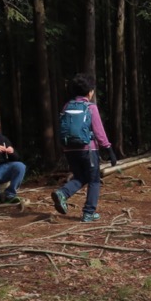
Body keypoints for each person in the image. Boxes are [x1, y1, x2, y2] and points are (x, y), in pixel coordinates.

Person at [51, 73, 117, 223]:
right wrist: (109, 149)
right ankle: (89, 213)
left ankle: (62, 193)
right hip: (88, 149)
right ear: (90, 92)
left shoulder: (67, 106)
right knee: (94, 180)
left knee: (81, 176)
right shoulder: (90, 107)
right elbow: (99, 131)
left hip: (69, 150)